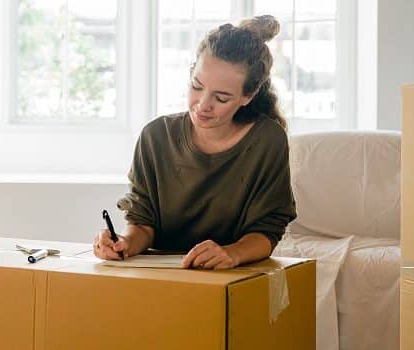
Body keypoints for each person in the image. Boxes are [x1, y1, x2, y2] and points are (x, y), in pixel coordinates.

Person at [93, 15, 296, 270]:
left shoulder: (268, 140)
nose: (202, 105)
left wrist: (231, 253)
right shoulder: (155, 136)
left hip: (233, 275)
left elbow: (268, 229)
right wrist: (123, 243)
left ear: (249, 95)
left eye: (221, 98)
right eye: (196, 86)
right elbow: (143, 223)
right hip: (161, 276)